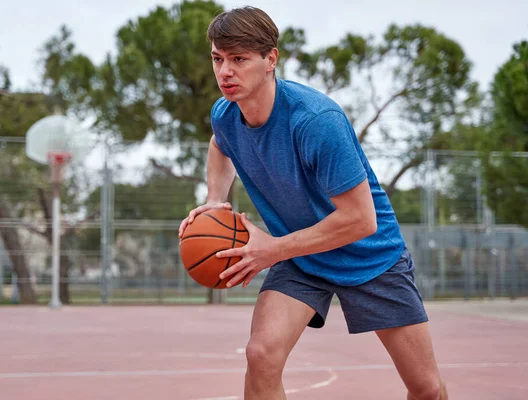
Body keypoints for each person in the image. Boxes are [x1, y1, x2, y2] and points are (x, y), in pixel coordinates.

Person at [178, 6, 448, 400]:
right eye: (218, 59)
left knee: (425, 388)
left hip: (370, 256)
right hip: (303, 258)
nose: (225, 72)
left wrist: (273, 248)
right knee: (261, 354)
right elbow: (220, 145)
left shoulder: (316, 121)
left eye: (239, 59)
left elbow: (361, 220)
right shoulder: (226, 114)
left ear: (271, 59)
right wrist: (215, 201)